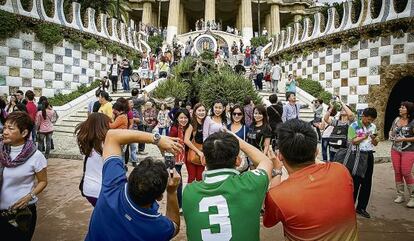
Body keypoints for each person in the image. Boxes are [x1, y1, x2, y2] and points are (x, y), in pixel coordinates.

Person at [263, 119, 358, 241]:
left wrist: (277, 171)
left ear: (280, 155)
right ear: (316, 151)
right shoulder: (341, 171)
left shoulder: (278, 195)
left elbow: (269, 223)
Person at [85, 129, 183, 241]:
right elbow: (174, 225)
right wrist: (172, 192)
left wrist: (157, 139)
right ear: (160, 197)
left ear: (129, 178)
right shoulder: (158, 228)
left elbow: (112, 136)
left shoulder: (112, 187)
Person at [182, 130, 275, 241]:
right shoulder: (251, 183)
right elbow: (266, 162)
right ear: (238, 161)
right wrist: (238, 140)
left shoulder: (189, 192)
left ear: (203, 160)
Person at [0, 111, 48, 240]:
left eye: (10, 128)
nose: (5, 131)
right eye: (4, 127)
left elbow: (43, 181)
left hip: (20, 214)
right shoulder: (0, 151)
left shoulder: (36, 156)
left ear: (24, 133)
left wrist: (29, 196)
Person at [75, 113, 111, 206]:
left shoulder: (86, 143)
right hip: (102, 190)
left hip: (89, 188)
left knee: (101, 213)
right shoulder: (106, 144)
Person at [348, 107, 378, 218]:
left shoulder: (373, 127)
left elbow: (375, 143)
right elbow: (353, 141)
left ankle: (361, 208)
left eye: (372, 120)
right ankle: (350, 207)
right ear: (363, 116)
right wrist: (364, 136)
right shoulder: (355, 126)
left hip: (369, 155)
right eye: (368, 119)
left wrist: (374, 139)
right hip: (357, 155)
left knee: (367, 182)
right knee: (355, 181)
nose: (369, 121)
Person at [389, 101, 414, 207]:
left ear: (408, 110)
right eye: (400, 107)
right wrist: (390, 134)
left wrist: (404, 138)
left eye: (402, 107)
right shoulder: (396, 119)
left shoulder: (412, 122)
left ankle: (413, 197)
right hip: (395, 149)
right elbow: (391, 130)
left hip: (408, 150)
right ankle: (400, 195)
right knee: (397, 171)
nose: (400, 109)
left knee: (406, 172)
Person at [169, 109, 191, 210]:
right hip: (175, 157)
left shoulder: (187, 127)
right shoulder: (174, 128)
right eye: (181, 118)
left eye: (185, 118)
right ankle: (178, 205)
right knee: (178, 180)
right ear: (177, 118)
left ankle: (180, 204)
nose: (183, 119)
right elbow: (170, 143)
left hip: (183, 156)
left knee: (180, 180)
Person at [184, 103, 206, 183]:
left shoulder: (206, 123)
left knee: (200, 177)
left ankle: (199, 195)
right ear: (195, 112)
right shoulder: (192, 124)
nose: (201, 112)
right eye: (199, 110)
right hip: (191, 153)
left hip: (203, 153)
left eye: (203, 110)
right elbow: (186, 140)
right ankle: (189, 195)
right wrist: (198, 151)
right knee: (192, 178)